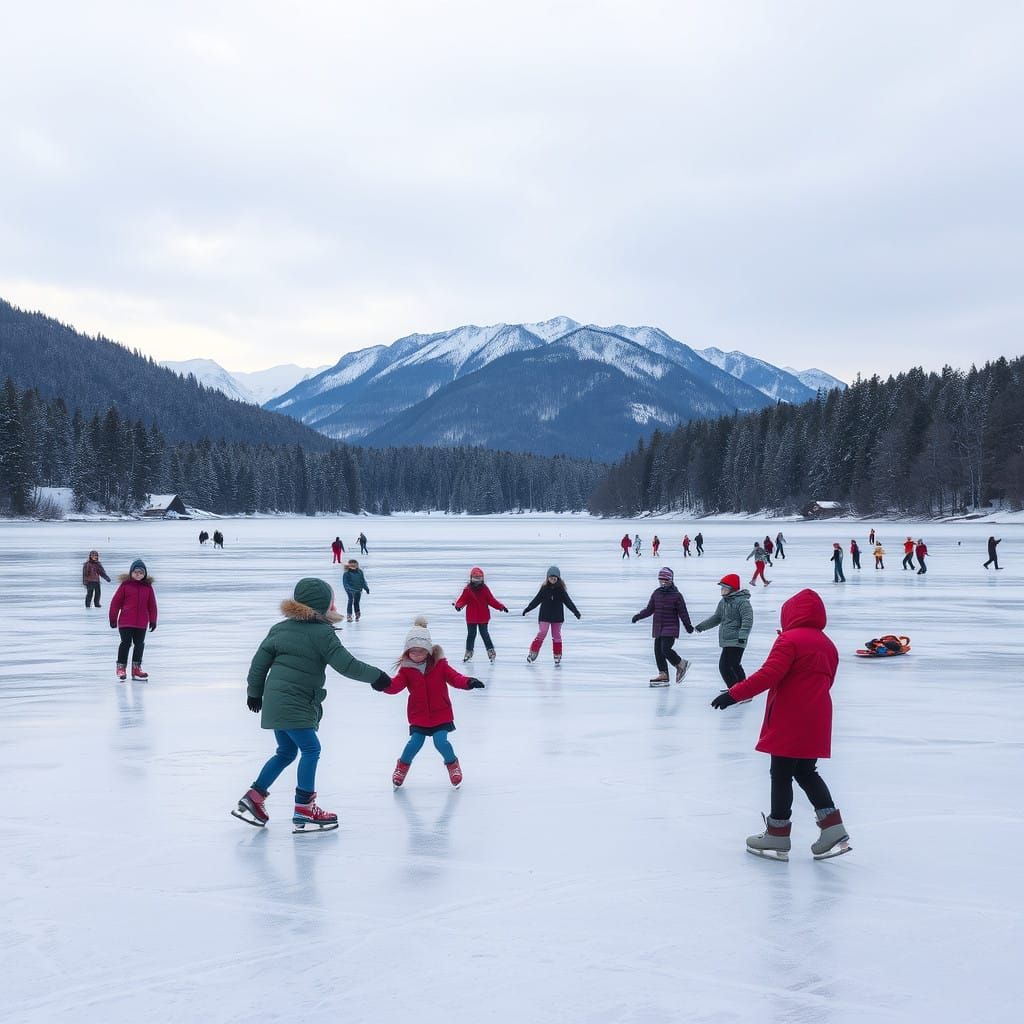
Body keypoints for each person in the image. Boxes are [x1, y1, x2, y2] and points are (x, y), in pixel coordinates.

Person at [232, 577, 391, 832]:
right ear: (322, 605)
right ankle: (305, 807)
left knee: (285, 752)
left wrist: (255, 693)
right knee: (311, 749)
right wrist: (378, 677)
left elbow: (258, 663)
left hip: (275, 700)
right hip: (296, 701)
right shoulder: (322, 633)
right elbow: (347, 665)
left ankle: (254, 797)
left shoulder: (279, 629)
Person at [710, 588, 852, 861]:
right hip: (818, 716)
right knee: (807, 772)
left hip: (791, 716)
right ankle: (833, 829)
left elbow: (769, 675)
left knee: (782, 772)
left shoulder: (790, 640)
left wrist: (733, 694)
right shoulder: (827, 643)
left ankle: (777, 834)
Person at [383, 616, 485, 789]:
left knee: (441, 741)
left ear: (429, 651)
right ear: (407, 652)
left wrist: (469, 682)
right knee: (414, 743)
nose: (417, 655)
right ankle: (401, 768)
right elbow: (395, 687)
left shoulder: (439, 665)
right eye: (413, 652)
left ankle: (453, 766)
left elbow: (455, 678)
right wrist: (381, 683)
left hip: (440, 713)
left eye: (421, 651)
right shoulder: (406, 669)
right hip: (419, 715)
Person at [631, 566, 693, 686]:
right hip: (658, 628)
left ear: (671, 580)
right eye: (661, 580)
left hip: (671, 628)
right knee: (658, 651)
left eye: (665, 580)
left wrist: (688, 625)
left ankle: (681, 663)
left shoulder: (676, 595)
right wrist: (638, 616)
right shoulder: (656, 593)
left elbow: (683, 612)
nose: (663, 583)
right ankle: (663, 674)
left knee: (665, 649)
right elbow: (649, 610)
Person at [694, 573, 752, 692]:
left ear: (732, 589)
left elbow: (748, 620)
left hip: (737, 640)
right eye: (721, 588)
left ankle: (736, 690)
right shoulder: (723, 602)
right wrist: (701, 627)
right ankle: (742, 689)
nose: (722, 590)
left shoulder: (743, 602)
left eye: (724, 588)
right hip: (727, 639)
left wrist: (742, 636)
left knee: (725, 666)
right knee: (734, 665)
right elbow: (717, 617)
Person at [109, 558, 157, 681]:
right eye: (136, 572)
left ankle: (136, 669)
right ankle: (121, 668)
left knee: (139, 645)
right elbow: (115, 603)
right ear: (131, 573)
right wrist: (113, 618)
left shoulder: (148, 588)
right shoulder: (125, 586)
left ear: (144, 574)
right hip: (126, 622)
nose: (138, 574)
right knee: (125, 644)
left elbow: (152, 605)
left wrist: (153, 620)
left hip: (141, 623)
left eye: (141, 572)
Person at [523, 566, 581, 665]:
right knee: (542, 632)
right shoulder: (544, 589)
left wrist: (575, 611)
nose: (552, 579)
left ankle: (557, 655)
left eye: (555, 578)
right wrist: (528, 608)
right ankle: (533, 652)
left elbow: (568, 602)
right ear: (547, 578)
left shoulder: (561, 590)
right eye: (551, 577)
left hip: (557, 617)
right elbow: (536, 600)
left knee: (556, 635)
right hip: (544, 616)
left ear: (558, 578)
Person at [453, 566, 508, 663]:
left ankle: (491, 652)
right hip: (471, 618)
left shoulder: (485, 589)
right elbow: (462, 600)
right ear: (471, 578)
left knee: (484, 634)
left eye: (479, 579)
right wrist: (458, 606)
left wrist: (501, 607)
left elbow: (491, 600)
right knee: (471, 635)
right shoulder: (468, 589)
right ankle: (468, 652)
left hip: (483, 617)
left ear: (482, 579)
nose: (477, 582)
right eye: (475, 579)